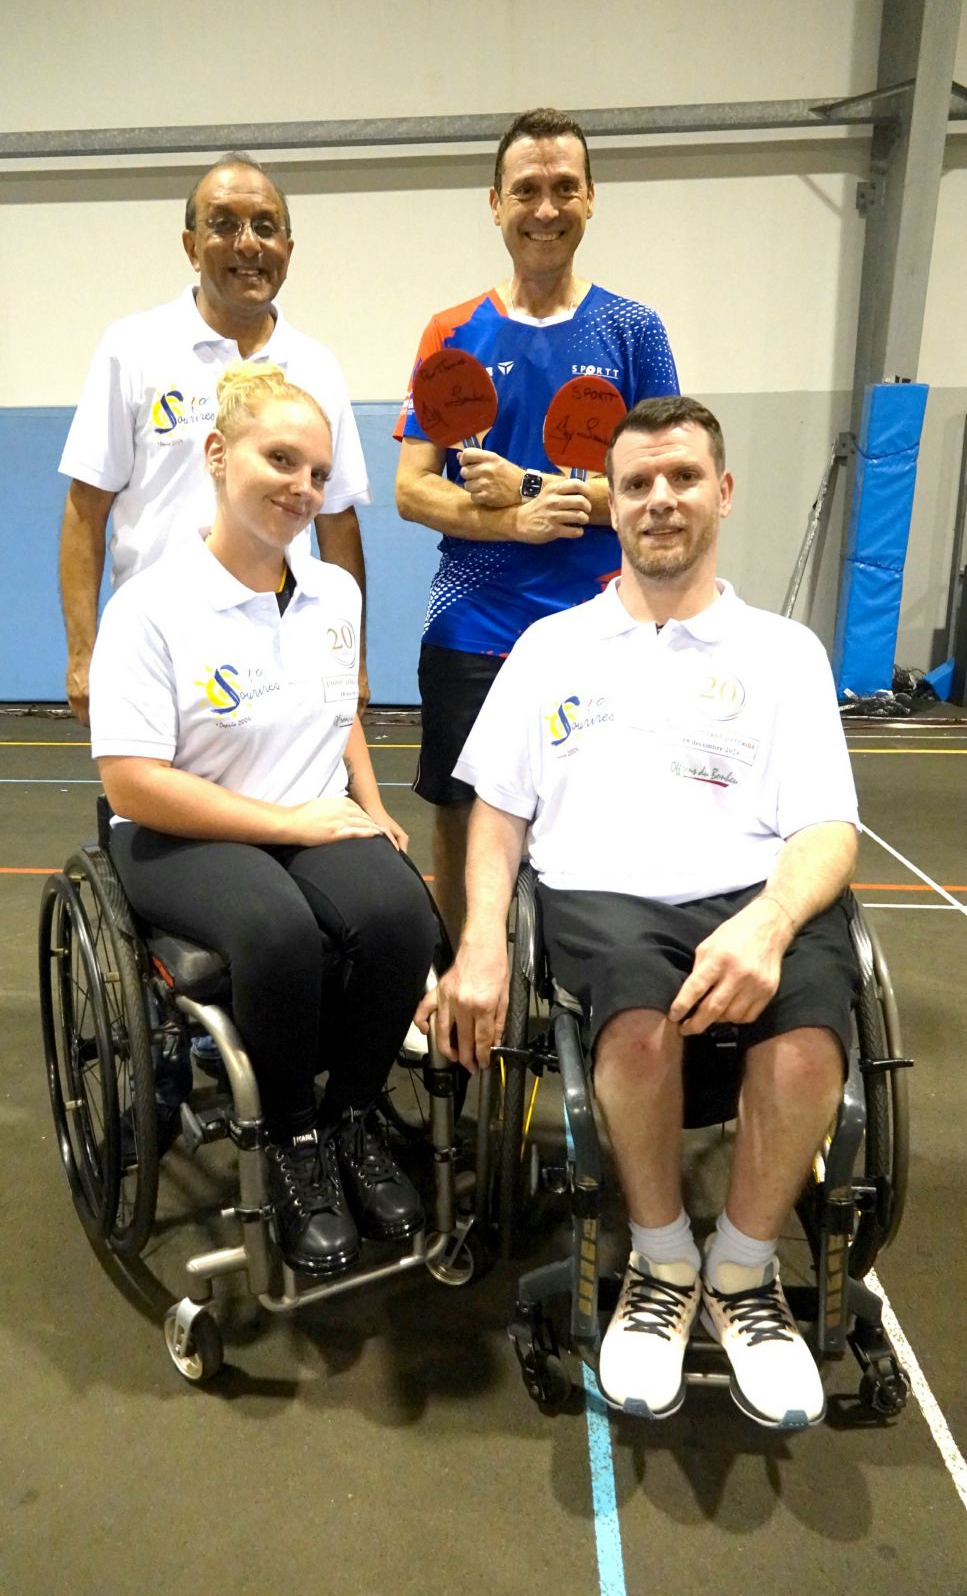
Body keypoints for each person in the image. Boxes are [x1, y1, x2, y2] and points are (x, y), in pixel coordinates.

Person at [421, 396, 860, 1429]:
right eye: (637, 484)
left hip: (756, 887)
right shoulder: (549, 648)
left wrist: (767, 924)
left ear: (722, 492)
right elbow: (496, 810)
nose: (660, 499)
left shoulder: (783, 650)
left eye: (682, 478)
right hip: (603, 895)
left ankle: (743, 1275)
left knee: (805, 1044)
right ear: (608, 504)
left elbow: (828, 830)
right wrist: (480, 940)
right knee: (634, 1016)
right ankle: (662, 1263)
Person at [89, 363, 438, 1278]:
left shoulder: (334, 594)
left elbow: (339, 712)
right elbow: (130, 783)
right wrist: (288, 820)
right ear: (217, 454)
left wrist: (371, 808)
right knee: (277, 931)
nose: (303, 488)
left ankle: (350, 1119)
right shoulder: (148, 609)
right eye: (280, 459)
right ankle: (291, 1145)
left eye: (318, 474)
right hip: (181, 833)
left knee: (405, 915)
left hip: (305, 818)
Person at [395, 107, 679, 940]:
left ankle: (592, 972)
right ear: (494, 203)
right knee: (459, 805)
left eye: (563, 189)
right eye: (526, 190)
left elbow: (659, 484)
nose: (545, 209)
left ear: (591, 198)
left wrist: (535, 488)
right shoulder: (451, 332)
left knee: (602, 803)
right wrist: (516, 523)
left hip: (603, 621)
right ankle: (458, 977)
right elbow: (415, 491)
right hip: (474, 620)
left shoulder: (634, 330)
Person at [60, 151, 372, 725]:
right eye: (223, 224)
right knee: (154, 809)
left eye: (265, 227)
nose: (248, 244)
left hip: (284, 654)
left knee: (287, 810)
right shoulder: (133, 349)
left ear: (289, 249)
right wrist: (84, 651)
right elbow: (86, 509)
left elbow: (338, 523)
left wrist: (350, 656)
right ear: (190, 245)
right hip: (158, 650)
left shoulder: (317, 366)